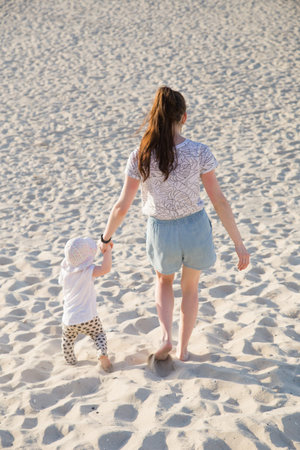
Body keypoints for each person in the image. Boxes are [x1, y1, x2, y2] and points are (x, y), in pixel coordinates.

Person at [99, 86, 250, 362]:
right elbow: (219, 200)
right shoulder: (199, 151)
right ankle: (183, 349)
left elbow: (122, 206)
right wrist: (238, 243)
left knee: (163, 281)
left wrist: (106, 238)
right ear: (184, 117)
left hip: (162, 230)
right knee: (191, 288)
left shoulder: (140, 154)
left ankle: (166, 336)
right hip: (195, 227)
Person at [59, 236, 113, 371]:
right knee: (99, 335)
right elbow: (106, 269)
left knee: (67, 340)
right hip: (89, 317)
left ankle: (70, 360)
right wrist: (107, 252)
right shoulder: (89, 271)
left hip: (69, 319)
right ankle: (102, 354)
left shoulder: (65, 270)